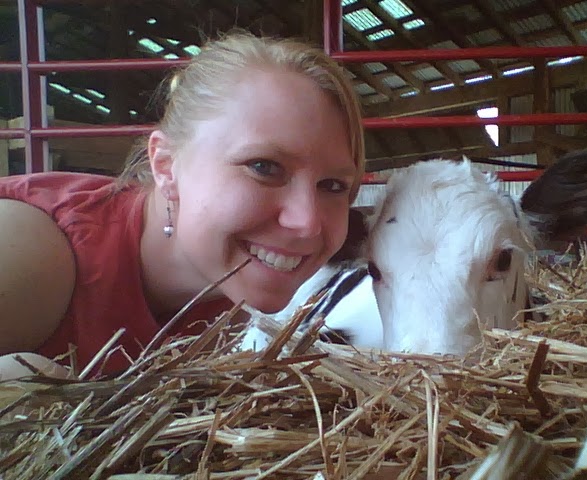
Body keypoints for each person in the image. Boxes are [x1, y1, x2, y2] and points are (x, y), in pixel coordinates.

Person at [0, 31, 365, 380]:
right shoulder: (29, 256)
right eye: (263, 167)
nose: (307, 222)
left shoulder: (227, 299)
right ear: (165, 165)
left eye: (333, 186)